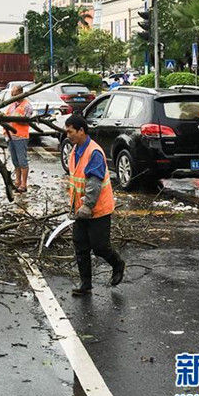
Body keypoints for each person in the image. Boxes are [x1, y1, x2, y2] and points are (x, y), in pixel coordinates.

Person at [64, 114, 125, 296]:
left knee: (100, 247)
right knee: (80, 245)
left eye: (70, 131)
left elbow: (94, 183)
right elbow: (76, 181)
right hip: (80, 210)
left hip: (97, 209)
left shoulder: (94, 152)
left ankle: (118, 264)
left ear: (81, 131)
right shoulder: (75, 150)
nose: (68, 135)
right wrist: (74, 207)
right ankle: (86, 285)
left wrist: (87, 206)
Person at [3, 85, 33, 193]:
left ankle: (24, 184)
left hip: (20, 137)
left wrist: (15, 119)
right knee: (15, 161)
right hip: (10, 136)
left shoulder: (27, 106)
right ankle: (17, 181)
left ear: (20, 93)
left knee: (22, 161)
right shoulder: (12, 105)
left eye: (14, 93)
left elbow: (26, 120)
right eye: (12, 93)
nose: (12, 95)